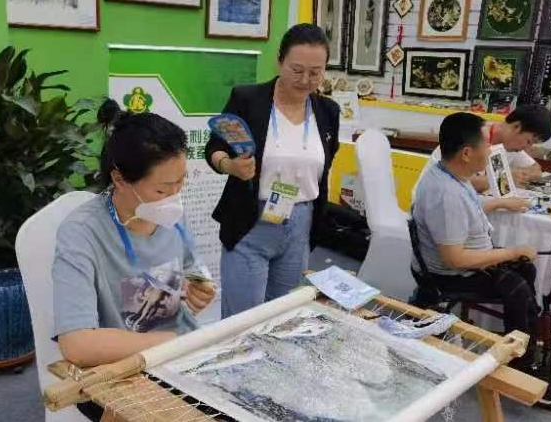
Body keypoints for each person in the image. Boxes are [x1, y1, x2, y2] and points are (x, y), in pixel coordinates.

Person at [52, 100, 217, 372]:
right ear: (119, 179)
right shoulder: (82, 233)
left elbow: (191, 269)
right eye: (162, 190)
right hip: (124, 367)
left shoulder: (171, 216)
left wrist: (196, 289)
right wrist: (171, 342)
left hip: (184, 356)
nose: (173, 198)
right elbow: (76, 344)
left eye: (181, 183)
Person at [411, 113, 551, 404]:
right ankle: (518, 367)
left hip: (463, 261)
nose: (490, 152)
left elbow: (473, 203)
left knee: (524, 272)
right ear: (467, 153)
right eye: (486, 147)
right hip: (448, 274)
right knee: (517, 287)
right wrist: (510, 252)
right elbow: (455, 260)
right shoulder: (445, 194)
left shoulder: (450, 175)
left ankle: (524, 344)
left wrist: (501, 202)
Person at [205, 23, 340, 319]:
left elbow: (326, 165)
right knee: (241, 321)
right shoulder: (248, 100)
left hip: (300, 223)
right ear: (279, 61)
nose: (305, 80)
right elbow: (214, 147)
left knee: (284, 316)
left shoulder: (328, 111)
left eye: (315, 72)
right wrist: (230, 166)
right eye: (297, 70)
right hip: (250, 220)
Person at [413, 105, 551, 197]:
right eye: (529, 141)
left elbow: (536, 169)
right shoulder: (468, 134)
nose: (528, 148)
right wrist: (505, 179)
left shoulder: (510, 147)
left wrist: (522, 175)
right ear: (517, 127)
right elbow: (452, 182)